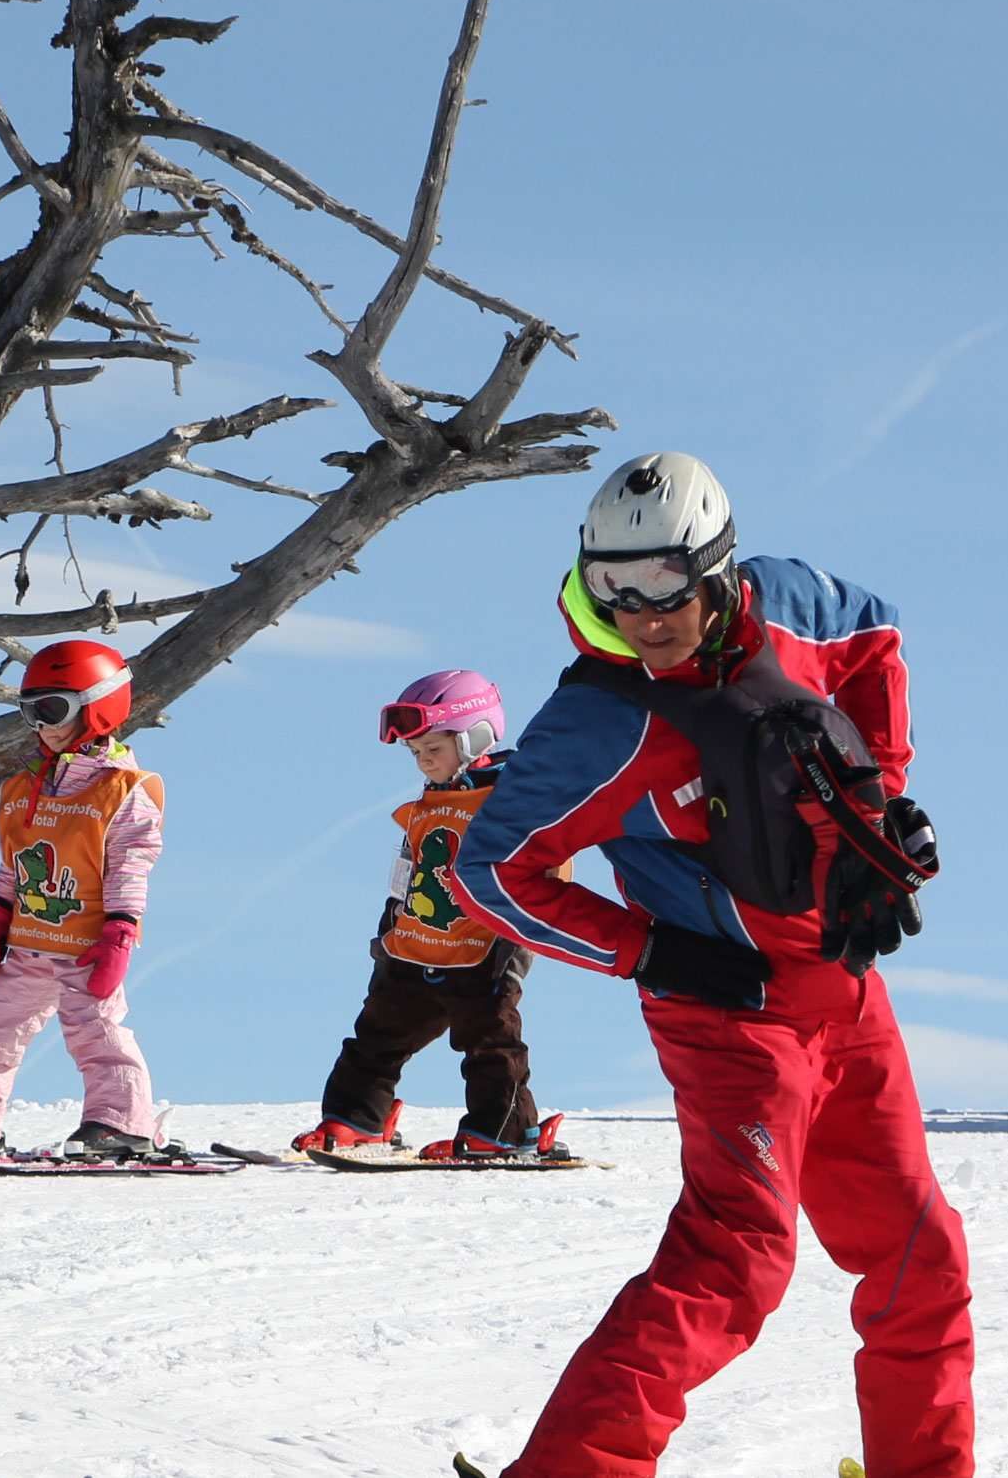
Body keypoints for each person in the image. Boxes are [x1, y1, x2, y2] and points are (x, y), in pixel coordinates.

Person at [446, 452, 970, 1478]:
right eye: (612, 589)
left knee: (921, 1258)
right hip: (729, 1014)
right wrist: (652, 951)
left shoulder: (795, 605)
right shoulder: (599, 724)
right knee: (737, 1259)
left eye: (662, 587)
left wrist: (879, 805)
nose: (640, 613)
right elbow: (490, 871)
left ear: (719, 569)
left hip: (845, 991)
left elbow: (877, 638)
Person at [286, 670, 571, 1162]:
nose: (423, 761)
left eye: (432, 749)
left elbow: (550, 859)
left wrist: (528, 927)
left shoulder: (513, 797)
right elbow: (409, 870)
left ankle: (500, 1130)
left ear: (473, 737)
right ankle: (356, 1119)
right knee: (375, 1035)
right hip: (414, 946)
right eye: (415, 753)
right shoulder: (428, 804)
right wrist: (388, 929)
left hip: (485, 947)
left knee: (489, 1042)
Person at [0, 640, 168, 1158]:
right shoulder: (25, 786)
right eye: (30, 711)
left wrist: (120, 931)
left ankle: (121, 1121)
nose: (41, 725)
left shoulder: (124, 790)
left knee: (96, 1032)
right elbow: (17, 860)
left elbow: (130, 866)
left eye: (52, 709)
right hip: (30, 942)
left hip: (86, 943)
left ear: (98, 706)